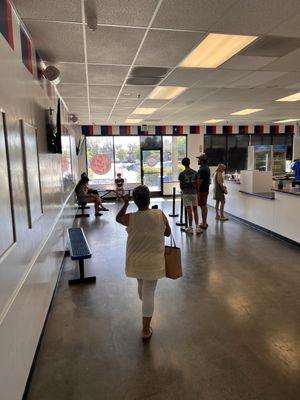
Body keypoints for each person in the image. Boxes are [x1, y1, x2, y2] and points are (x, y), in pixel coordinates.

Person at [116, 185, 171, 340]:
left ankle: (146, 319)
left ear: (135, 201)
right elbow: (168, 233)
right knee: (147, 294)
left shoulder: (131, 218)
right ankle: (146, 330)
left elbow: (118, 218)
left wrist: (125, 204)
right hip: (153, 262)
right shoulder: (159, 214)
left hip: (136, 260)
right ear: (149, 199)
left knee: (143, 291)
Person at [178, 157, 202, 234]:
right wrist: (198, 193)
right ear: (189, 163)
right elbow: (197, 184)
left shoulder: (181, 174)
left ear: (183, 164)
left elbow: (181, 186)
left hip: (185, 193)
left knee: (189, 210)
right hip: (194, 192)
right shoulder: (195, 172)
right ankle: (197, 227)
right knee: (195, 210)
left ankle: (190, 227)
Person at [197, 153, 211, 229]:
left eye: (199, 159)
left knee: (203, 206)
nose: (198, 160)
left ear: (202, 161)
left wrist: (197, 192)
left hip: (202, 191)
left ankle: (204, 223)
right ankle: (204, 221)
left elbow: (199, 182)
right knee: (204, 205)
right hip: (206, 190)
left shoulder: (202, 170)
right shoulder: (207, 168)